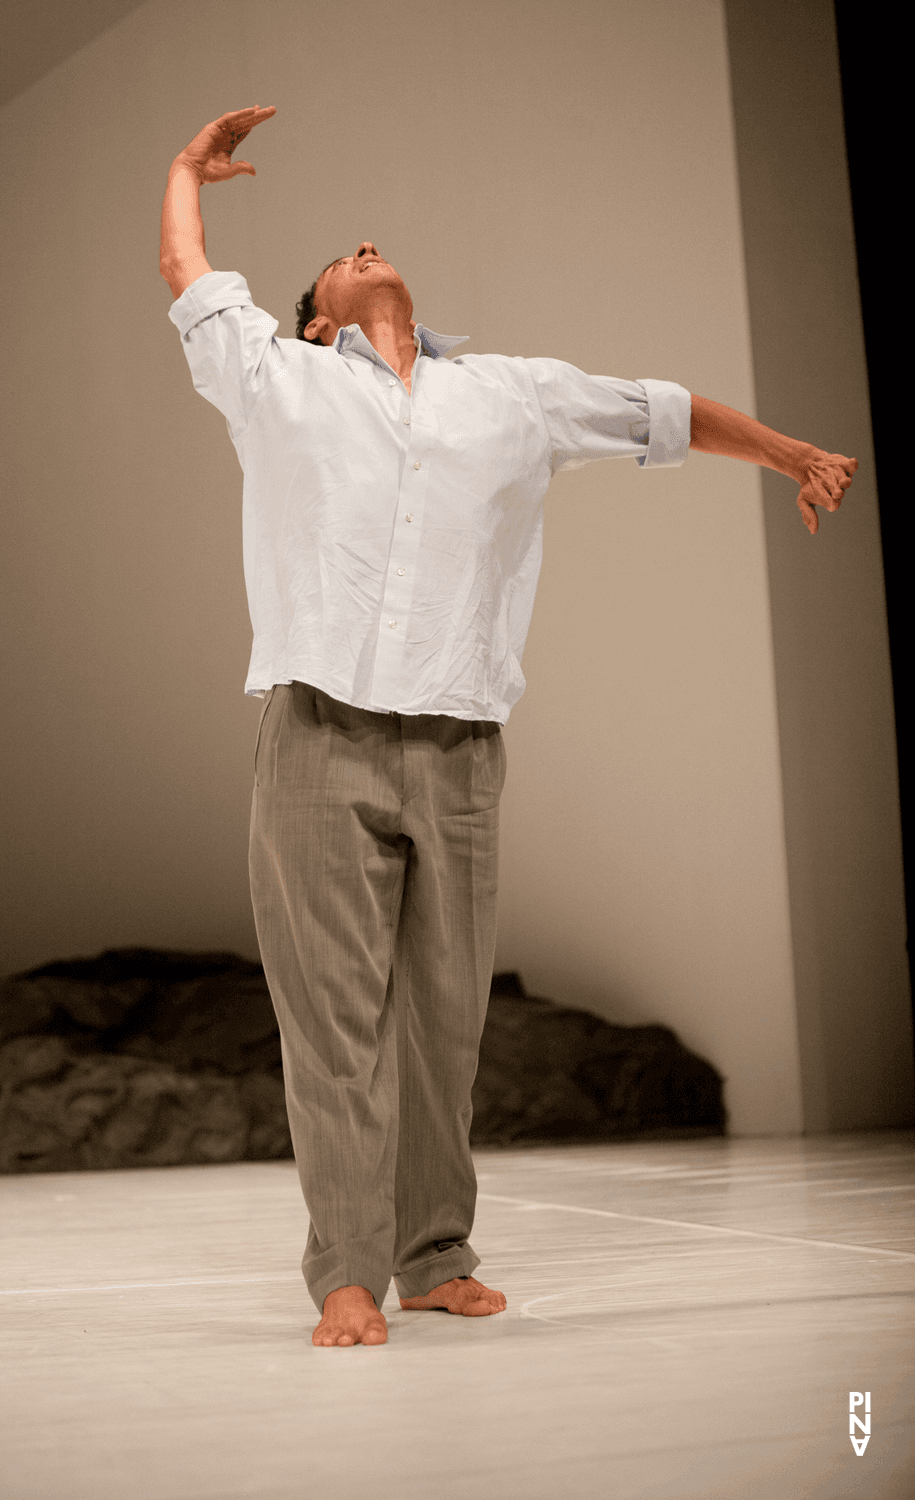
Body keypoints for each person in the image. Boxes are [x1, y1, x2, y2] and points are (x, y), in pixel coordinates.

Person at [159, 106, 857, 1349]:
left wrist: (785, 451)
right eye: (341, 251)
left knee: (443, 1018)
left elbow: (661, 412)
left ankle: (432, 1255)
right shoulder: (285, 380)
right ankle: (346, 1272)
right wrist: (182, 173)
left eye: (375, 242)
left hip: (460, 747)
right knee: (333, 1021)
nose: (367, 244)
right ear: (316, 311)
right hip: (319, 735)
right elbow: (191, 279)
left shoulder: (509, 395)